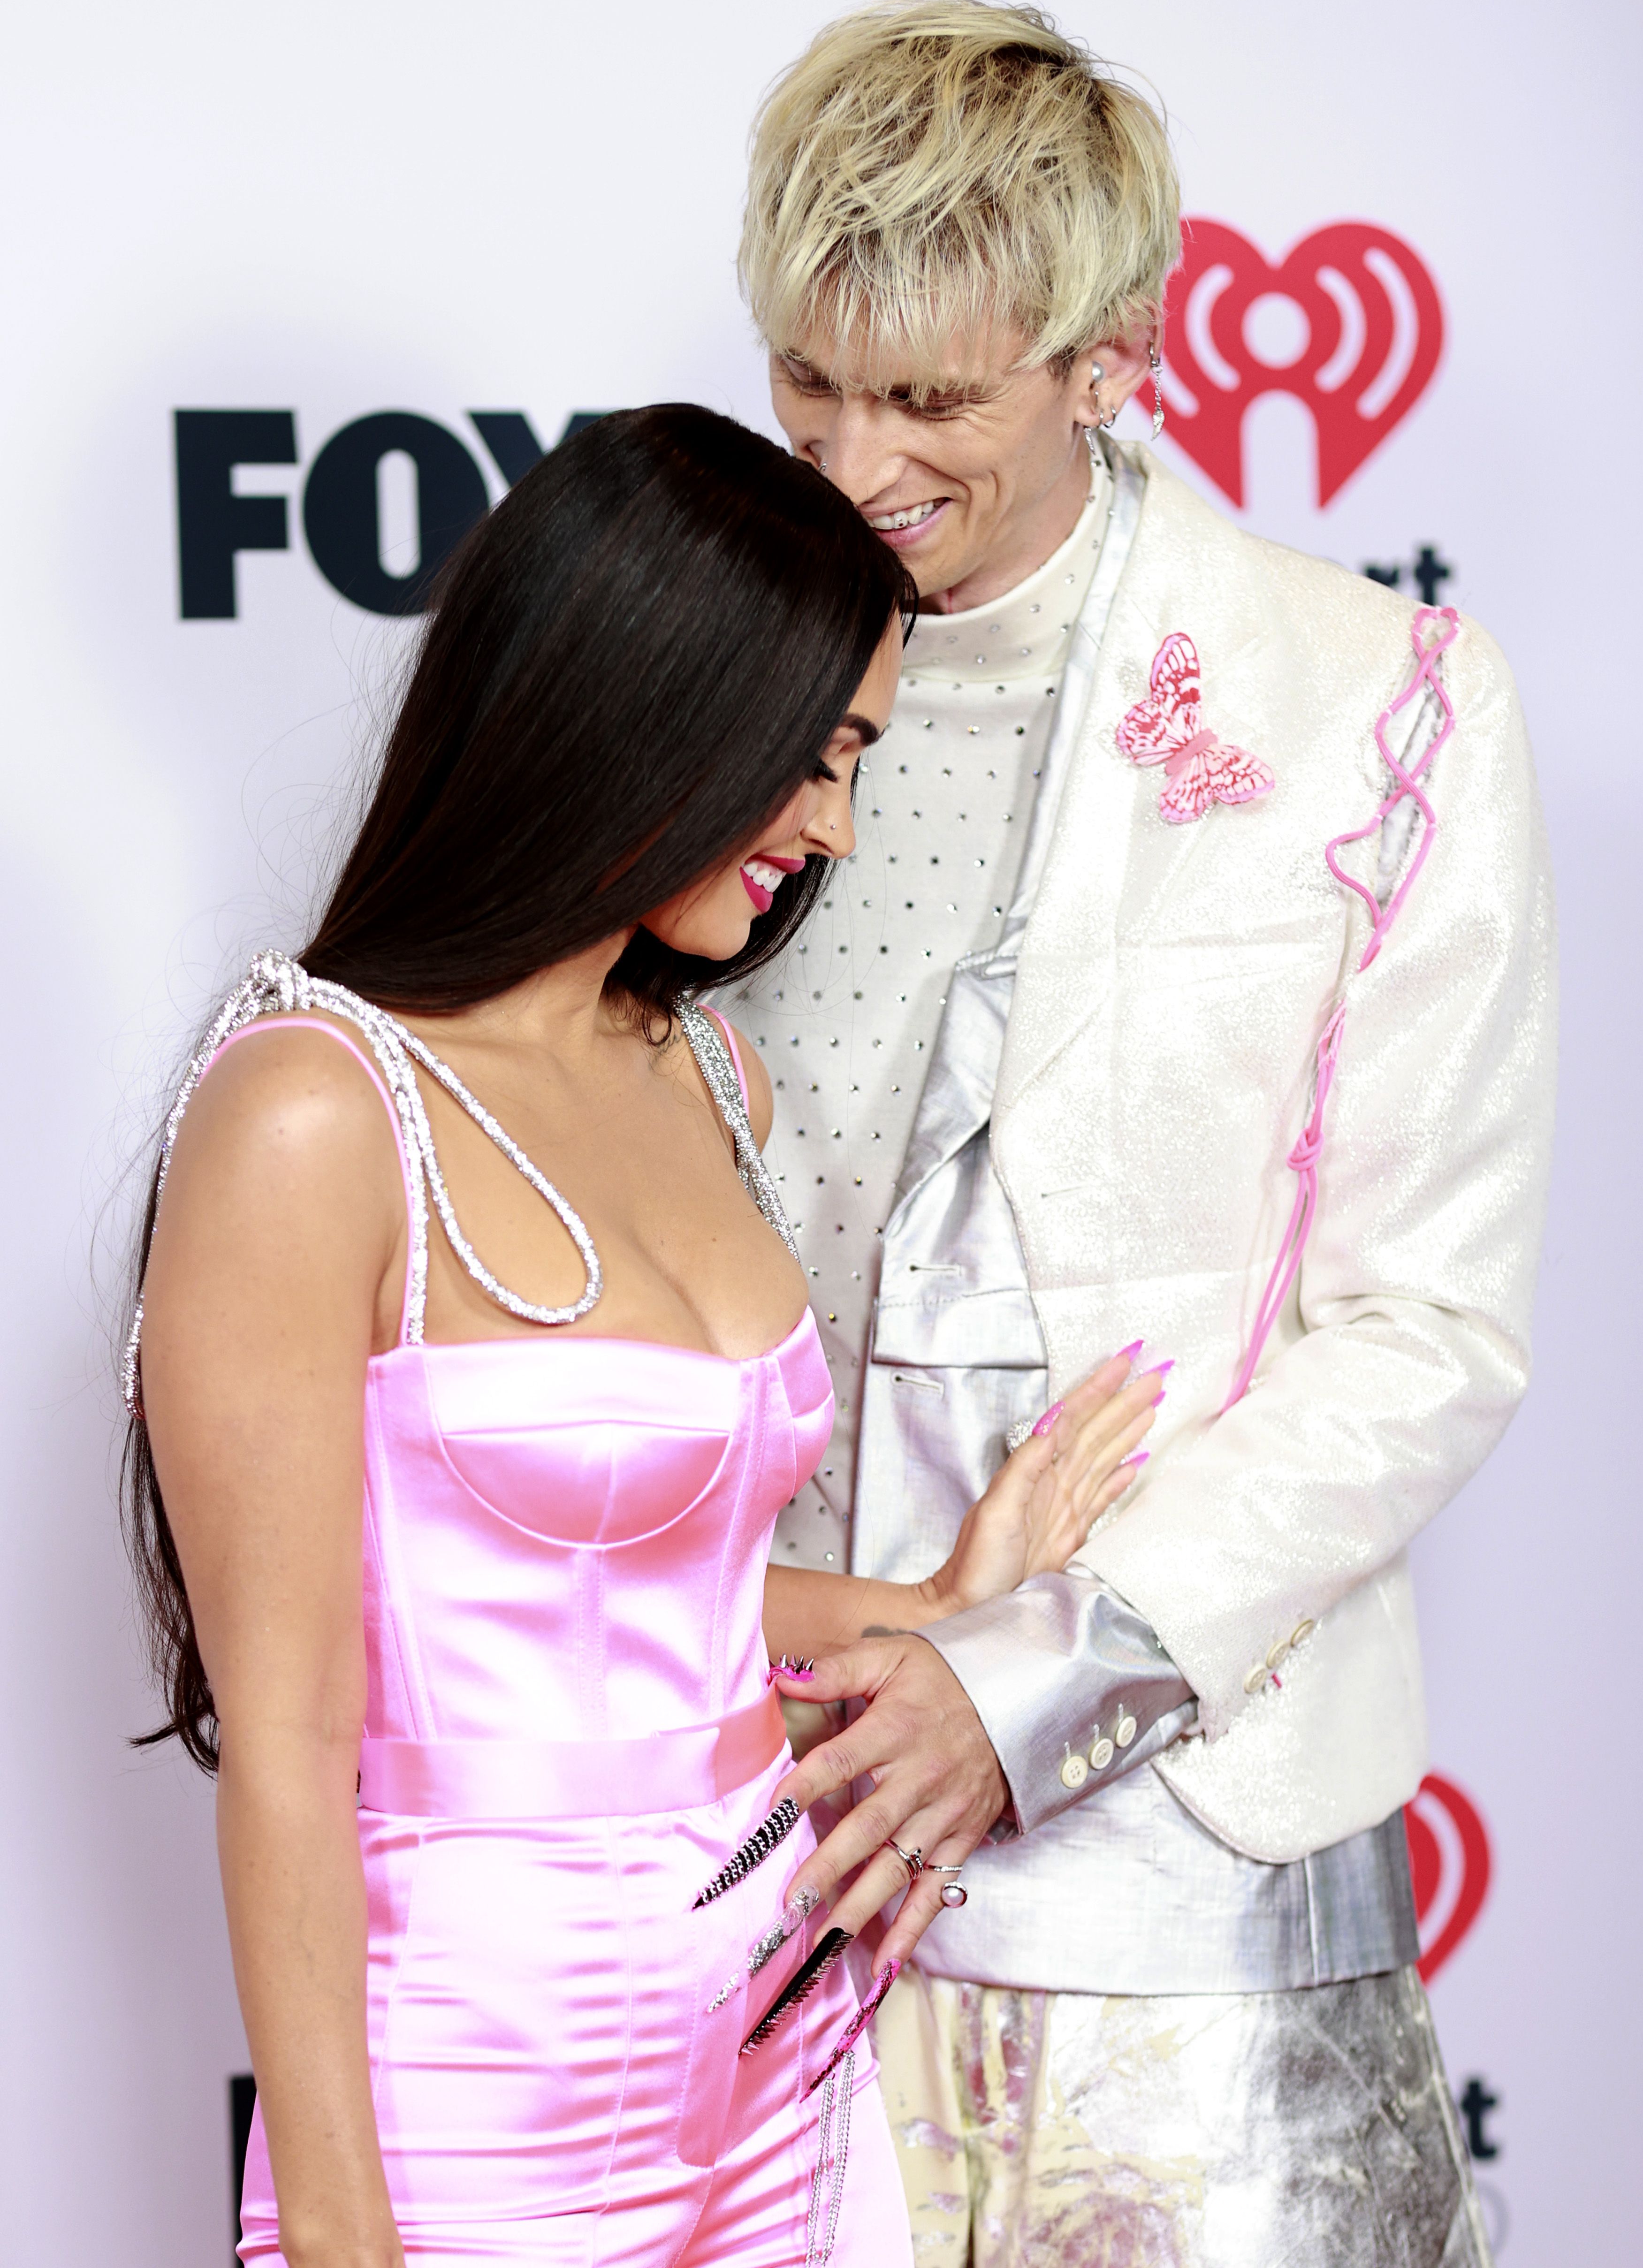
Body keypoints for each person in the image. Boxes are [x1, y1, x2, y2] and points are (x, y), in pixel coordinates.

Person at [120, 405, 1165, 2268]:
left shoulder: (696, 1066)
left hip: (779, 2046)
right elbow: (290, 1735)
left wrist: (945, 1606)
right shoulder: (313, 1108)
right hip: (476, 2103)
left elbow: (639, 1597)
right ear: (652, 701)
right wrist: (347, 2235)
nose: (838, 824)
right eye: (820, 755)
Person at [730, 0, 1555, 2268]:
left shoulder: (1373, 697)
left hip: (1191, 1866)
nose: (846, 455)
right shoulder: (686, 682)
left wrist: (1033, 1680)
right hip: (744, 1824)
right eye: (808, 378)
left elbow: (1428, 1322)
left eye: (926, 398)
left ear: (1108, 360)